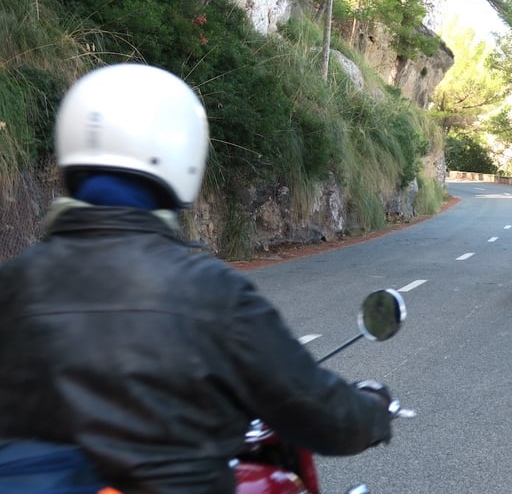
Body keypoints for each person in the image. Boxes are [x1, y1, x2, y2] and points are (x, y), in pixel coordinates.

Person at [0, 63, 393, 494]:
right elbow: (321, 414)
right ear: (180, 152)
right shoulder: (209, 290)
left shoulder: (14, 284)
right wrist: (372, 411)